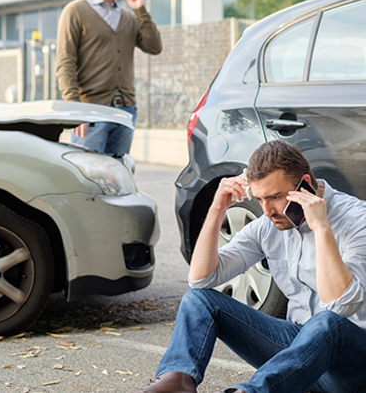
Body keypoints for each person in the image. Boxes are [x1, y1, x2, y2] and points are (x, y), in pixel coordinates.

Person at [136, 140, 366, 393]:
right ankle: (177, 382)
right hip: (299, 354)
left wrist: (321, 228)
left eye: (275, 197)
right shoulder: (269, 224)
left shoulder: (357, 220)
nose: (267, 211)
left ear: (306, 186)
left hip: (350, 365)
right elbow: (201, 279)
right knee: (199, 300)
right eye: (259, 199)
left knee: (327, 323)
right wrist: (217, 208)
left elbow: (341, 304)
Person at [56, 0, 162, 155]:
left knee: (116, 178)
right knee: (87, 178)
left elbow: (154, 46)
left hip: (125, 111)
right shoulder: (75, 11)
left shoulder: (128, 17)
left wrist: (139, 9)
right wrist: (75, 109)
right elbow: (65, 62)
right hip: (90, 111)